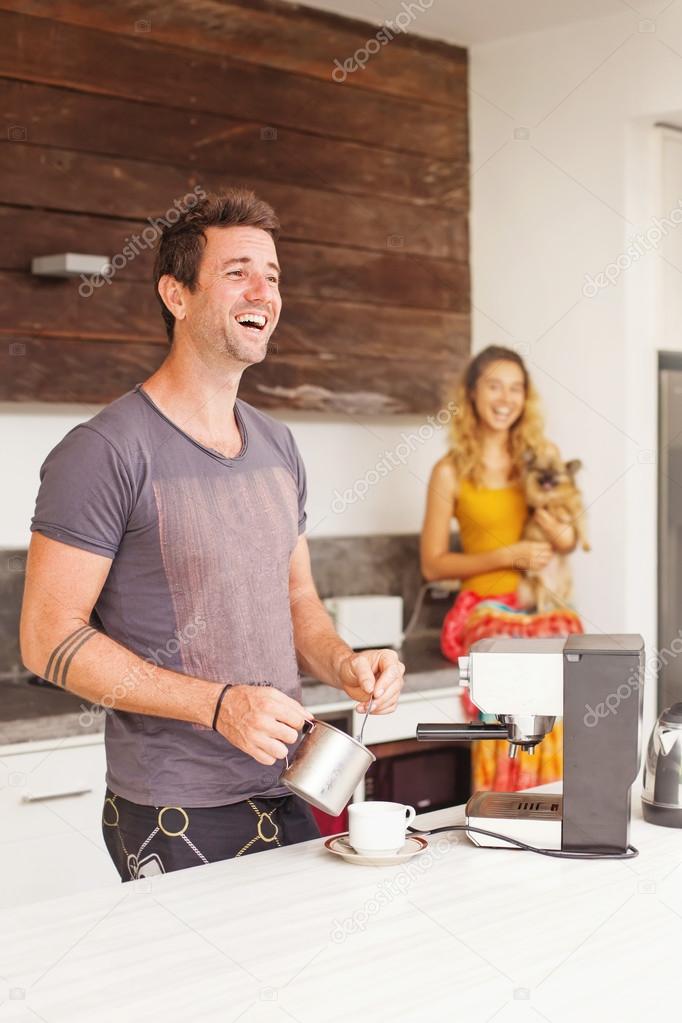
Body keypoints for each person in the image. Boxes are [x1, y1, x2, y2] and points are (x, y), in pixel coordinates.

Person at [20, 188, 405, 880]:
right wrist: (217, 705)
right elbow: (48, 640)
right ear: (176, 294)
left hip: (287, 786)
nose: (264, 290)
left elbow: (298, 605)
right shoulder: (104, 451)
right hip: (172, 806)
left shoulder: (278, 445)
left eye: (274, 275)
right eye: (238, 272)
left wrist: (346, 662)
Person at [420, 345, 582, 792]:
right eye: (494, 385)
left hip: (537, 604)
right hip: (483, 610)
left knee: (572, 643)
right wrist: (508, 556)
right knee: (512, 662)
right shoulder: (449, 471)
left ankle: (557, 798)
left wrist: (559, 530)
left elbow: (568, 541)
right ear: (472, 393)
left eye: (515, 388)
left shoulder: (540, 457)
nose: (505, 398)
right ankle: (503, 799)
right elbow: (433, 565)